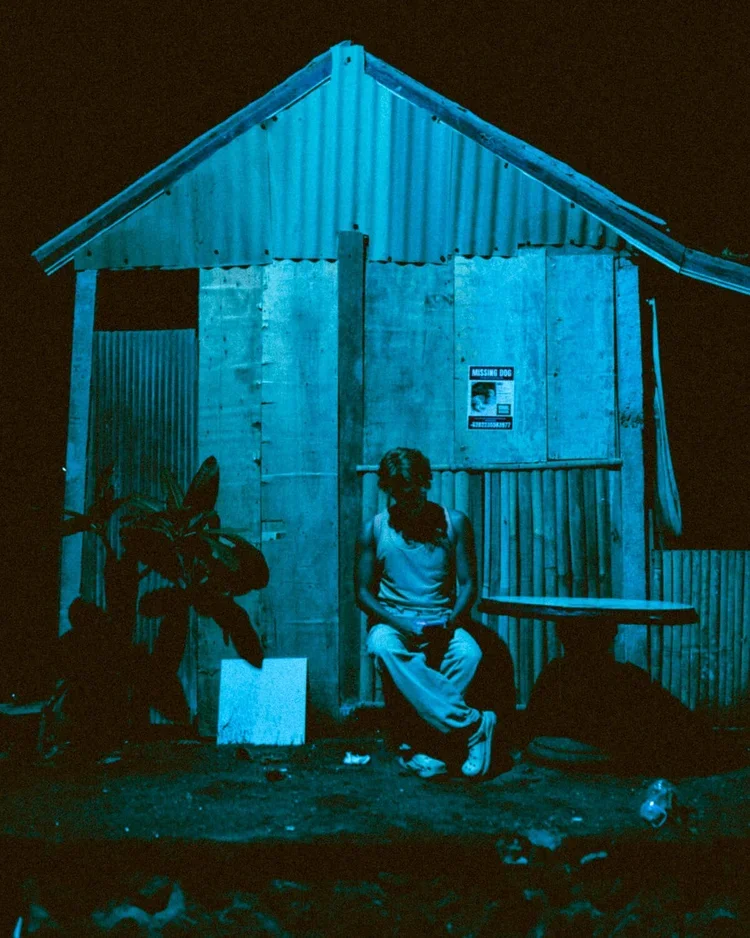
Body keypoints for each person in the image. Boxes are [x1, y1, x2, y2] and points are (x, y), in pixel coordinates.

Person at [355, 447, 514, 779]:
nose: (405, 500)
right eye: (397, 494)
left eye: (412, 492)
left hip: (443, 619)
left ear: (426, 483)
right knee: (383, 645)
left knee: (469, 652)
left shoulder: (454, 522)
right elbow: (363, 594)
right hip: (393, 622)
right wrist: (402, 624)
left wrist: (450, 623)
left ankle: (427, 747)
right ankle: (473, 725)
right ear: (387, 490)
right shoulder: (374, 529)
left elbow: (469, 585)